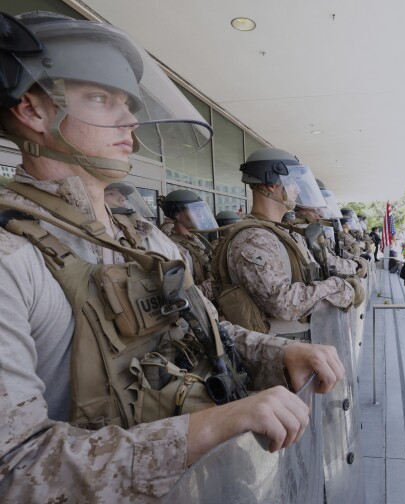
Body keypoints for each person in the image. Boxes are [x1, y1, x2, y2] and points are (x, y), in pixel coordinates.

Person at [0, 11, 344, 500]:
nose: (129, 121)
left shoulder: (142, 239)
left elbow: (209, 328)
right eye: (101, 98)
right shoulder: (12, 259)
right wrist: (208, 428)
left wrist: (280, 354)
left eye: (128, 103)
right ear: (33, 111)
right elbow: (15, 468)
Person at [213, 148, 363, 339]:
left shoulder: (277, 232)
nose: (297, 189)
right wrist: (338, 287)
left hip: (296, 344)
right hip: (279, 350)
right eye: (291, 182)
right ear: (270, 184)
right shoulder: (255, 238)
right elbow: (283, 303)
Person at [159, 189, 217, 301]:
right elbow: (180, 295)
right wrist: (216, 286)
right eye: (194, 210)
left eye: (200, 210)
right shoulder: (172, 249)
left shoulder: (195, 238)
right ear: (177, 215)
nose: (200, 215)